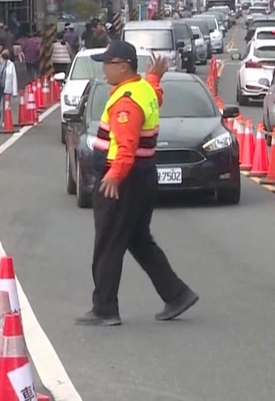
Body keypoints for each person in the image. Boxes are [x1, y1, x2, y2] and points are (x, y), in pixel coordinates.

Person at [76, 40, 198, 326]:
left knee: (108, 242)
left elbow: (127, 145)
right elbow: (154, 91)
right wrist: (155, 76)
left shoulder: (126, 102)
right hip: (143, 178)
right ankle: (176, 294)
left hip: (124, 180)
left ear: (122, 66)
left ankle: (105, 308)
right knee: (138, 239)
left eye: (108, 64)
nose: (104, 70)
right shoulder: (143, 89)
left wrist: (114, 176)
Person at [0, 49, 18, 125]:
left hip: (7, 87)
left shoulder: (11, 64)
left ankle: (5, 120)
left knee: (6, 106)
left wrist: (14, 91)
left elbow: (14, 77)